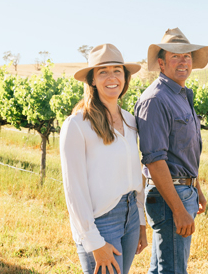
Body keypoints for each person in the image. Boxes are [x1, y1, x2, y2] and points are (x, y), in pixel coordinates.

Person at [60, 44, 148, 274]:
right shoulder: (77, 125)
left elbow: (135, 173)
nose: (112, 77)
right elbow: (74, 189)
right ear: (92, 80)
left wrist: (140, 221)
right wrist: (93, 242)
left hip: (129, 217)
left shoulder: (130, 122)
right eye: (103, 72)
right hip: (101, 222)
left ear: (125, 77)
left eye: (117, 71)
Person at [134, 28, 208, 274]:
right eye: (175, 56)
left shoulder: (181, 95)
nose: (183, 60)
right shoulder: (156, 99)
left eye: (187, 55)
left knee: (161, 269)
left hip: (182, 190)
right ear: (161, 62)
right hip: (170, 196)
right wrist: (178, 208)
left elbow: (181, 152)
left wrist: (195, 188)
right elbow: (155, 161)